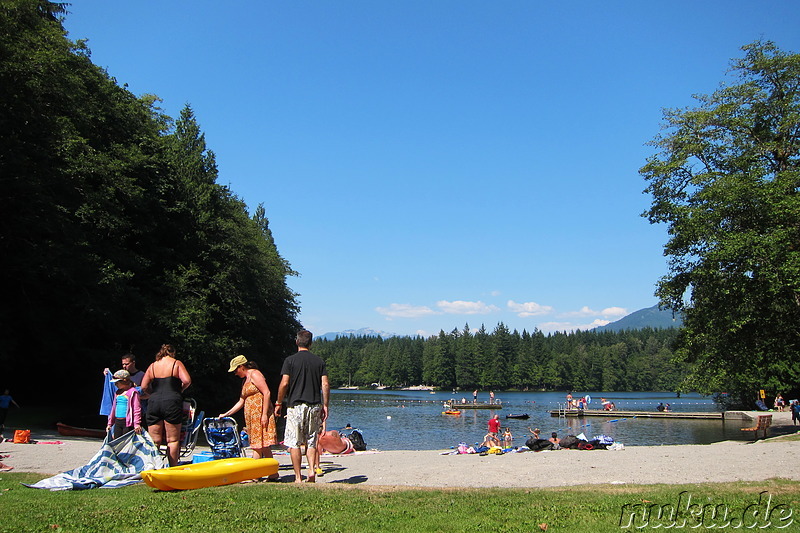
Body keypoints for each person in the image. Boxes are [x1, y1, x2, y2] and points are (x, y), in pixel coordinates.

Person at [275, 330, 330, 483]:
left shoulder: (290, 361)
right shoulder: (319, 361)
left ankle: (298, 477)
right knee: (311, 440)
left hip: (296, 404)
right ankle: (311, 471)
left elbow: (284, 383)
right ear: (310, 343)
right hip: (314, 404)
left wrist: (279, 402)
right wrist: (325, 405)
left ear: (296, 342)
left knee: (294, 442)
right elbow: (325, 384)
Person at [219, 356, 279, 476]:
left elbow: (267, 393)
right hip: (252, 417)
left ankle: (253, 475)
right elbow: (241, 401)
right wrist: (226, 414)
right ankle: (273, 473)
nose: (235, 373)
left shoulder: (255, 374)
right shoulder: (245, 380)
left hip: (261, 415)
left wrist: (264, 414)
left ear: (241, 366)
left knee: (258, 446)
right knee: (264, 445)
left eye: (236, 370)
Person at [141, 344, 191, 466]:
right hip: (172, 401)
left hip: (154, 401)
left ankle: (153, 467)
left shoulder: (153, 365)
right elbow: (187, 380)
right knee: (172, 440)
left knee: (154, 440)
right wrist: (180, 390)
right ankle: (173, 467)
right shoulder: (176, 363)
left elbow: (143, 386)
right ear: (172, 353)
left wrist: (151, 394)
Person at [106, 370, 142, 439]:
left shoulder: (132, 392)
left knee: (126, 442)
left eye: (117, 382)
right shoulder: (117, 393)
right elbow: (113, 408)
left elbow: (136, 408)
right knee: (117, 441)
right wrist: (110, 423)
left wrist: (137, 423)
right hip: (117, 421)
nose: (115, 384)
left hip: (127, 422)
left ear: (125, 381)